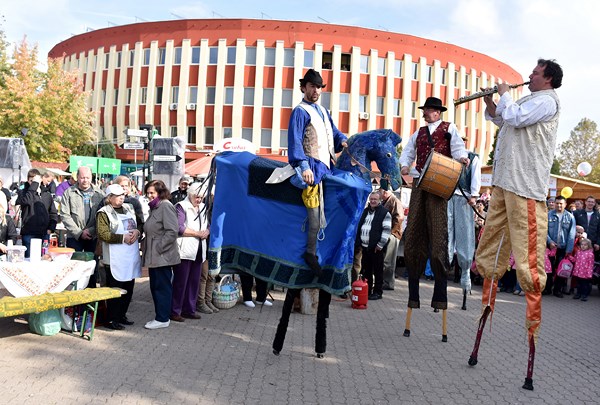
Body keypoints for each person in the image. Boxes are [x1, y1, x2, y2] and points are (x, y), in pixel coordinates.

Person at [468, 58, 563, 390]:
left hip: (525, 188)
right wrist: (491, 103)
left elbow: (518, 117)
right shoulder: (526, 101)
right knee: (490, 247)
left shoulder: (547, 101)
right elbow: (505, 119)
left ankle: (532, 329)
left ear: (548, 78)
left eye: (535, 73)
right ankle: (485, 308)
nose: (530, 76)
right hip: (504, 183)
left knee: (528, 259)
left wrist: (506, 94)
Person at [399, 96, 469, 312]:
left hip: (439, 183)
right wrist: (404, 165)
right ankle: (413, 289)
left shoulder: (449, 128)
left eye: (428, 110)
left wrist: (462, 157)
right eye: (425, 110)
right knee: (414, 228)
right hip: (420, 181)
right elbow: (408, 151)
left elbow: (457, 147)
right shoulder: (419, 132)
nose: (425, 113)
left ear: (437, 112)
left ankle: (440, 291)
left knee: (439, 231)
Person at [287, 69, 348, 276]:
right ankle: (310, 252)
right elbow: (295, 141)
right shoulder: (300, 111)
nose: (316, 90)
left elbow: (334, 132)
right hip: (311, 168)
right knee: (314, 214)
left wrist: (343, 140)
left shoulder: (322, 111)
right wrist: (303, 167)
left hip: (327, 167)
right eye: (312, 86)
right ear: (303, 88)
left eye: (319, 87)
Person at [96, 184, 143, 330]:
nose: (121, 198)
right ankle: (112, 318)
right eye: (117, 196)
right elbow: (103, 234)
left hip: (130, 256)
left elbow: (140, 223)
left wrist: (137, 232)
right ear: (109, 198)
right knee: (116, 289)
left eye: (122, 195)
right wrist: (122, 238)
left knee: (128, 288)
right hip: (114, 257)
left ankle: (122, 315)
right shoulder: (104, 212)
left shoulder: (129, 208)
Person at [447, 137, 481, 309]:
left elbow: (475, 176)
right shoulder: (446, 155)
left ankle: (465, 273)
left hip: (464, 199)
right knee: (445, 234)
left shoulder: (473, 157)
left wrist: (474, 195)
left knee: (465, 235)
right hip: (446, 197)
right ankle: (442, 268)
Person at [142, 180, 180, 330]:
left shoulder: (165, 206)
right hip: (155, 256)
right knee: (156, 286)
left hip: (162, 256)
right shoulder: (155, 207)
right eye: (147, 192)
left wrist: (159, 247)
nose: (149, 195)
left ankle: (162, 318)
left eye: (152, 192)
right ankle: (161, 316)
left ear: (160, 192)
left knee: (161, 287)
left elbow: (172, 231)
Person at [171, 182, 209, 322]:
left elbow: (208, 224)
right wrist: (197, 233)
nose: (199, 200)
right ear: (190, 195)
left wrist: (207, 231)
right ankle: (175, 311)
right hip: (185, 249)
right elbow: (179, 228)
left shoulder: (203, 207)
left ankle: (189, 309)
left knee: (194, 282)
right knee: (181, 282)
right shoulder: (181, 206)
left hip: (199, 249)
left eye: (201, 197)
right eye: (197, 197)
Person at [355, 192, 392, 300]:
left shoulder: (385, 213)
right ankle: (367, 290)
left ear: (380, 200)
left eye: (375, 199)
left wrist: (380, 245)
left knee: (378, 271)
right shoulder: (365, 211)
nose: (373, 201)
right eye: (371, 199)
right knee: (366, 271)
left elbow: (386, 230)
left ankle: (378, 292)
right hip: (365, 246)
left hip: (377, 248)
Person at [15, 169, 58, 258]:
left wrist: (51, 228)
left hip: (44, 233)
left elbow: (53, 213)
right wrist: (34, 185)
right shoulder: (24, 193)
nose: (34, 183)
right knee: (28, 259)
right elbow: (26, 201)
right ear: (28, 180)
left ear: (40, 179)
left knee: (44, 259)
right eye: (31, 181)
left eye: (35, 181)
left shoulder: (46, 194)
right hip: (29, 233)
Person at [544, 195, 576, 297]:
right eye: (557, 203)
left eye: (561, 204)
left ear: (565, 204)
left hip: (563, 248)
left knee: (561, 269)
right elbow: (544, 230)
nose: (559, 205)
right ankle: (547, 288)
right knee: (548, 269)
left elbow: (572, 234)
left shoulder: (570, 217)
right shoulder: (548, 215)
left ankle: (557, 290)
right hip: (550, 248)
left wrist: (569, 250)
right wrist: (549, 241)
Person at [379, 187, 404, 291]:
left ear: (385, 192)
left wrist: (391, 232)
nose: (379, 194)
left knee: (388, 261)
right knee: (385, 260)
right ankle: (384, 281)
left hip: (392, 235)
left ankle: (388, 283)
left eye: (380, 192)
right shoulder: (386, 201)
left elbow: (399, 218)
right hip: (387, 234)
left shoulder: (394, 201)